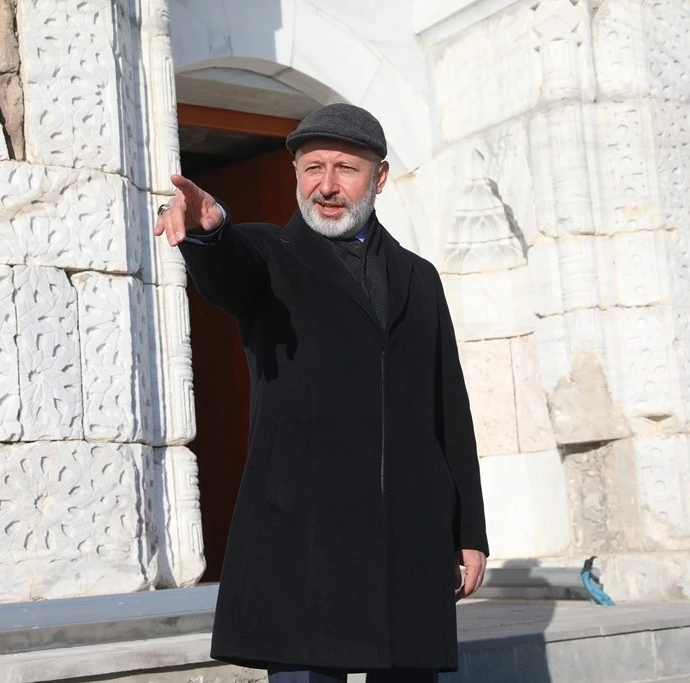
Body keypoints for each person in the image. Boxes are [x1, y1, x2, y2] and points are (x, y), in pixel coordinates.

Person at [154, 103, 488, 683]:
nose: (326, 186)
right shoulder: (269, 255)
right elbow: (230, 269)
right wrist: (211, 232)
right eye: (313, 167)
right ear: (296, 174)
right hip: (302, 543)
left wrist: (468, 531)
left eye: (345, 169)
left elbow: (448, 410)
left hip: (408, 538)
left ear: (379, 178)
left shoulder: (420, 278)